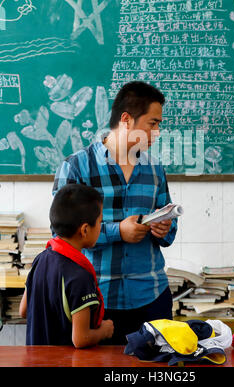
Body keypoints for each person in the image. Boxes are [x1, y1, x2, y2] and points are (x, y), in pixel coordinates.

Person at [52, 81, 178, 344]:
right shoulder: (77, 167)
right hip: (96, 301)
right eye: (152, 123)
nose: (157, 132)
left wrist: (164, 228)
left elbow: (170, 229)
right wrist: (118, 231)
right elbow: (61, 236)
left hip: (152, 296)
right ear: (126, 120)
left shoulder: (154, 169)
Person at [19, 183, 114, 347]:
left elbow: (24, 311)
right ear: (84, 230)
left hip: (35, 360)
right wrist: (104, 331)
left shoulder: (40, 259)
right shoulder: (80, 276)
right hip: (64, 361)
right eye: (100, 221)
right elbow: (81, 339)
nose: (101, 226)